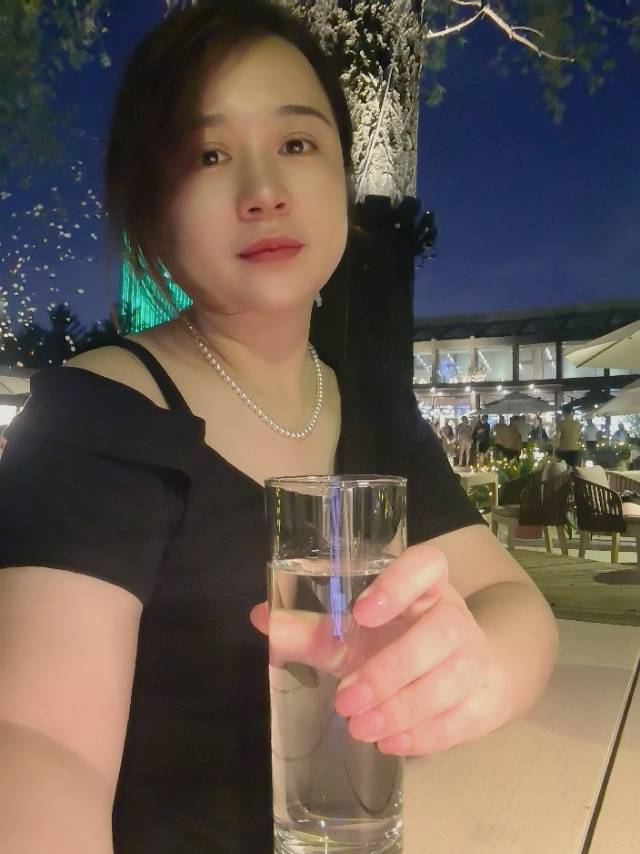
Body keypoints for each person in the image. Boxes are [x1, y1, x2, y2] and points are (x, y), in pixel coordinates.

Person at [0, 3, 558, 852]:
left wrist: (479, 672)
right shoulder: (99, 415)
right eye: (209, 154)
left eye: (298, 143)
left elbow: (513, 605)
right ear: (152, 209)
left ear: (343, 181)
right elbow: (37, 743)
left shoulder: (371, 411)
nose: (263, 191)